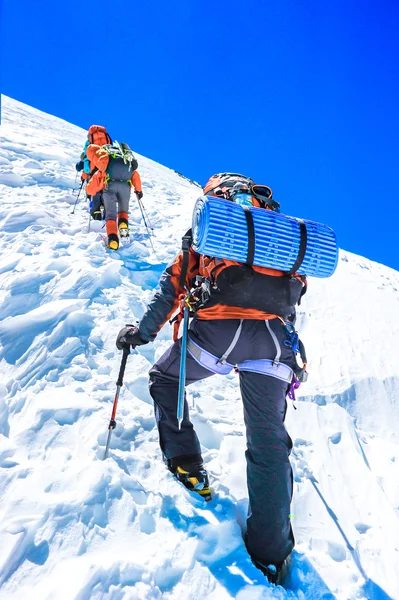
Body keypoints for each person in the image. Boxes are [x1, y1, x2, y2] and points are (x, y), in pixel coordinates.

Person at [115, 173, 307, 583]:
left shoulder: (211, 228)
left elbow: (173, 285)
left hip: (216, 336)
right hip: (273, 344)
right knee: (268, 443)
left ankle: (187, 462)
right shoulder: (276, 232)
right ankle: (271, 552)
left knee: (165, 380)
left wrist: (142, 332)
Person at [86, 142, 143, 250]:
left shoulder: (107, 160)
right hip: (126, 187)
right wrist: (139, 191)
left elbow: (95, 181)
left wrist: (89, 191)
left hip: (110, 186)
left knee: (111, 215)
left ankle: (113, 241)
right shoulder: (126, 159)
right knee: (123, 212)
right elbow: (135, 175)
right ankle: (123, 225)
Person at [75, 125, 113, 220]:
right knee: (104, 186)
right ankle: (105, 206)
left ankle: (96, 212)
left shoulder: (89, 142)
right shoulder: (107, 138)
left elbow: (87, 157)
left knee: (94, 187)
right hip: (106, 166)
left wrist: (84, 175)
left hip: (93, 167)